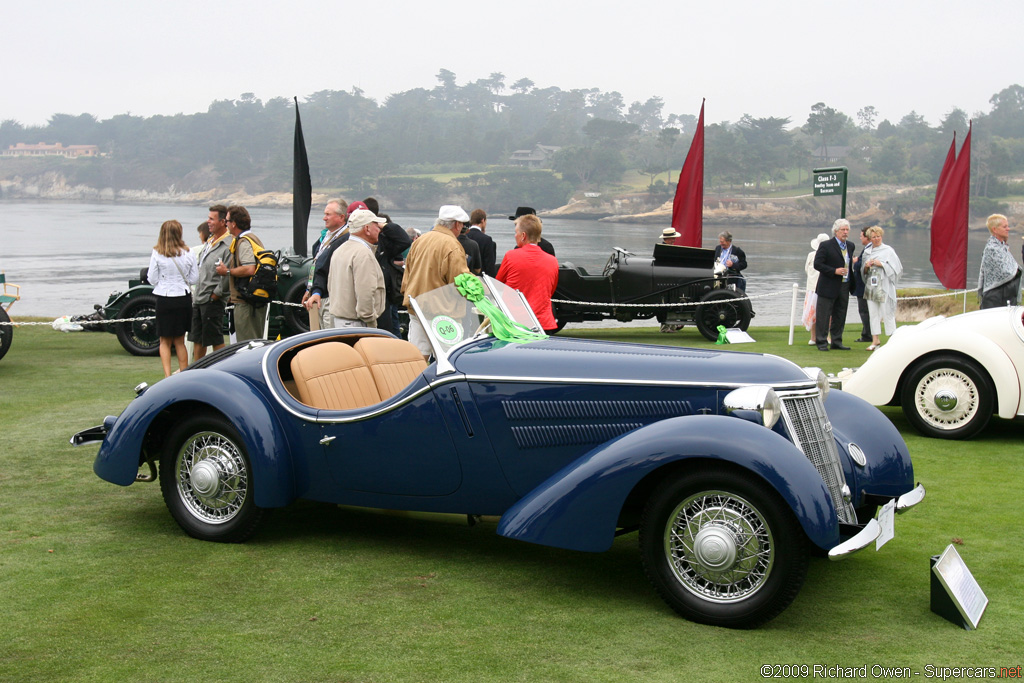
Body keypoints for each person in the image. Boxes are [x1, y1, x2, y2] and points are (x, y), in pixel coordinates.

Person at [401, 205, 471, 358]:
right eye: (462, 226)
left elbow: (407, 275)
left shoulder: (420, 241)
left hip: (417, 307)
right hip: (443, 313)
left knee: (417, 357)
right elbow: (461, 282)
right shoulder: (452, 246)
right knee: (449, 358)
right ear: (457, 224)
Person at [148, 219, 198, 377]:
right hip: (183, 298)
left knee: (165, 341)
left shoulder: (157, 252)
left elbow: (152, 278)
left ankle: (167, 375)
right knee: (180, 341)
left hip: (165, 297)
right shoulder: (188, 252)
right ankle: (184, 374)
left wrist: (164, 281)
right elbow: (194, 278)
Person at [497, 213, 560, 334]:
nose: (515, 236)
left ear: (523, 236)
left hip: (516, 321)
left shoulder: (511, 256)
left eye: (516, 233)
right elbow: (551, 290)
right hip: (543, 323)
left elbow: (498, 284)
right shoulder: (552, 261)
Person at [327, 209, 387, 328]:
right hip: (357, 323)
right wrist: (370, 320)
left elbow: (330, 285)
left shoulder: (339, 250)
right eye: (376, 225)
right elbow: (365, 291)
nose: (379, 229)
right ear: (367, 229)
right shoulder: (363, 254)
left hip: (339, 321)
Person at [215, 205, 267, 342]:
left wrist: (226, 271)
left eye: (227, 221)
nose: (225, 224)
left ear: (234, 223)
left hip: (246, 302)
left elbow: (249, 268)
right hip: (253, 299)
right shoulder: (253, 238)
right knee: (254, 340)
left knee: (247, 343)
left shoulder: (243, 242)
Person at [362, 197, 412, 334]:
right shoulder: (352, 244)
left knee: (389, 329)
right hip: (366, 298)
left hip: (384, 296)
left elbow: (404, 241)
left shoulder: (383, 243)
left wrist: (383, 226)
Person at [303, 199, 355, 328]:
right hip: (320, 296)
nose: (324, 218)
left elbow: (325, 268)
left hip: (332, 298)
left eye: (328, 214)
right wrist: (310, 289)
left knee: (330, 339)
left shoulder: (345, 239)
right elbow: (317, 263)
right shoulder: (327, 236)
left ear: (341, 217)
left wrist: (317, 291)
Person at [189, 204, 231, 361]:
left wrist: (215, 295)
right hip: (199, 298)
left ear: (222, 222)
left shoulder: (228, 245)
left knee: (215, 339)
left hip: (211, 300)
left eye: (211, 219)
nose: (208, 222)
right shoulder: (210, 241)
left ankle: (223, 368)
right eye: (208, 218)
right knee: (198, 339)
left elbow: (227, 274)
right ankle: (197, 370)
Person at [860, 226, 903, 350]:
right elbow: (862, 270)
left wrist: (882, 264)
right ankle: (875, 340)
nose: (876, 239)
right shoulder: (867, 251)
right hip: (871, 286)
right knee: (873, 313)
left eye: (878, 236)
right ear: (870, 238)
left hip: (884, 285)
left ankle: (892, 339)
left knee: (887, 312)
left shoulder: (888, 250)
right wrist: (867, 266)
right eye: (874, 237)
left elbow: (897, 269)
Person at [813, 218, 853, 351]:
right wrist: (834, 271)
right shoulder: (826, 245)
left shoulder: (850, 246)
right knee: (824, 315)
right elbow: (817, 264)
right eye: (843, 230)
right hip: (828, 285)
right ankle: (822, 342)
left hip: (844, 285)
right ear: (836, 231)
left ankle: (837, 341)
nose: (845, 232)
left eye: (847, 230)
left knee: (840, 315)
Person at [978, 213, 1021, 309]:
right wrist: (1016, 271)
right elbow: (1006, 272)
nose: (1008, 229)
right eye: (1005, 227)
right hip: (995, 299)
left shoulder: (1003, 247)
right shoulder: (992, 248)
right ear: (995, 229)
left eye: (1008, 226)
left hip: (1007, 297)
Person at [802, 233, 830, 345]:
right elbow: (807, 270)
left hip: (821, 288)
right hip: (813, 288)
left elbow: (806, 270)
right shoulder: (812, 255)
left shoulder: (821, 255)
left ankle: (821, 337)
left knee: (825, 313)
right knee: (815, 313)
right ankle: (814, 337)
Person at [850, 227, 873, 343]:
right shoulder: (868, 249)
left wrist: (855, 262)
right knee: (866, 310)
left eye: (861, 236)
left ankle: (867, 334)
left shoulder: (868, 250)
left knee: (864, 310)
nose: (860, 238)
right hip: (864, 285)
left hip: (863, 285)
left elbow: (861, 265)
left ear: (867, 237)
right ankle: (868, 333)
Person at [467, 209, 497, 277]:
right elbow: (490, 266)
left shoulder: (465, 236)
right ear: (483, 220)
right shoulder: (486, 239)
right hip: (481, 280)